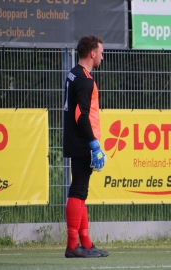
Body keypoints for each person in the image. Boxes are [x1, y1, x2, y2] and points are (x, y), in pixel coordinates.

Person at [63, 35, 108, 258]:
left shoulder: (74, 73)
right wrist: (93, 144)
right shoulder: (85, 79)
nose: (102, 55)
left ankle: (85, 243)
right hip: (82, 142)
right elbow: (81, 115)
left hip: (75, 140)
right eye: (100, 51)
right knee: (78, 190)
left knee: (81, 191)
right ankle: (73, 246)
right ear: (92, 53)